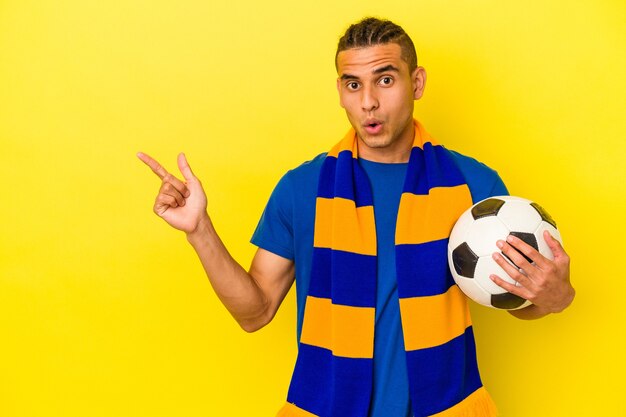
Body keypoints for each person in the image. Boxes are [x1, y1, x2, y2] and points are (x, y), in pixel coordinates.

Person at [138, 17, 574, 417]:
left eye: (385, 80)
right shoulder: (301, 188)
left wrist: (556, 298)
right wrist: (199, 231)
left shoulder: (472, 184)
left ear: (416, 82)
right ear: (340, 90)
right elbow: (255, 312)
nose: (368, 102)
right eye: (353, 85)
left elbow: (517, 298)